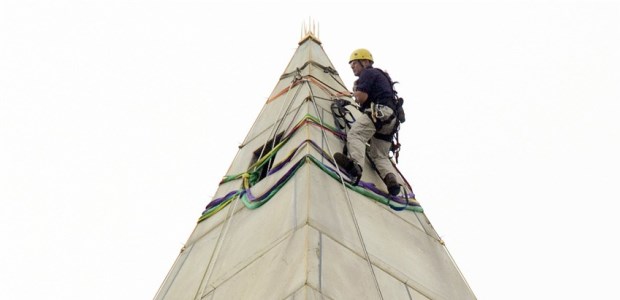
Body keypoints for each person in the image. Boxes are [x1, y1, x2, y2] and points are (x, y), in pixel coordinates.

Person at [334, 48, 401, 196]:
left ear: (365, 62)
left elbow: (362, 97)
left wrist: (352, 94)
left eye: (355, 65)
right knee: (379, 155)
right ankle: (391, 180)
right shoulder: (380, 76)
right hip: (390, 120)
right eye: (351, 67)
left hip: (379, 113)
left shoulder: (368, 73)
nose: (353, 68)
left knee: (356, 135)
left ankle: (356, 166)